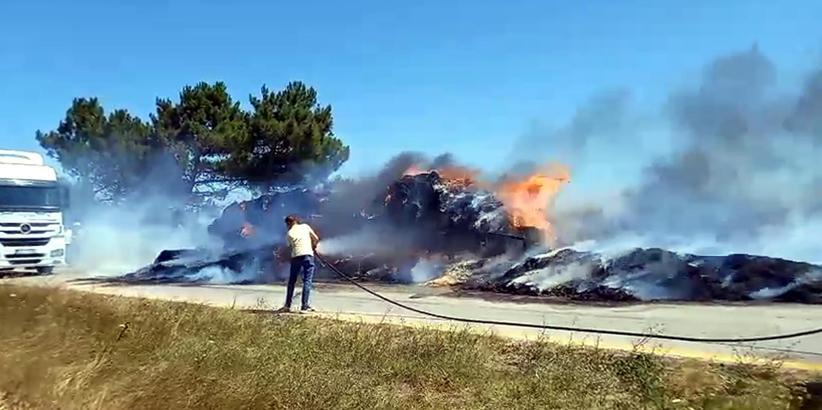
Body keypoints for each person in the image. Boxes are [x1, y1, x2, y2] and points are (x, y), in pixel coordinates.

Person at [278, 215, 320, 313]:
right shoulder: (305, 226)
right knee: (307, 281)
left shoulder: (289, 234)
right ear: (296, 221)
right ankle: (304, 306)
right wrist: (313, 246)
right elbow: (316, 239)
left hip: (296, 257)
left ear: (288, 224)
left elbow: (290, 247)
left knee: (292, 281)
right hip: (308, 256)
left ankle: (287, 305)